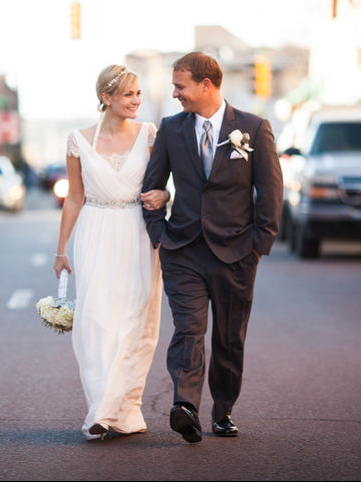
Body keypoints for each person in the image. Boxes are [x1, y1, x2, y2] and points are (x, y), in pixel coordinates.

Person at [141, 52, 283, 443]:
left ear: (206, 85)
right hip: (183, 249)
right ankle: (185, 406)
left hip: (237, 253)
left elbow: (270, 192)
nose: (175, 94)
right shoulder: (171, 129)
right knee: (189, 329)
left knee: (228, 337)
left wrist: (258, 245)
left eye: (180, 86)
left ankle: (223, 410)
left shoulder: (253, 128)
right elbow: (151, 188)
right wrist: (160, 234)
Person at [53, 65, 171, 441]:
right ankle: (106, 408)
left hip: (138, 232)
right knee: (98, 322)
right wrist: (61, 250)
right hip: (95, 231)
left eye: (138, 94)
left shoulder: (149, 134)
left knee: (136, 320)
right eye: (128, 95)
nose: (137, 100)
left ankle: (114, 410)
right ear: (106, 98)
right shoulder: (77, 140)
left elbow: (165, 183)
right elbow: (74, 197)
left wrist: (165, 195)